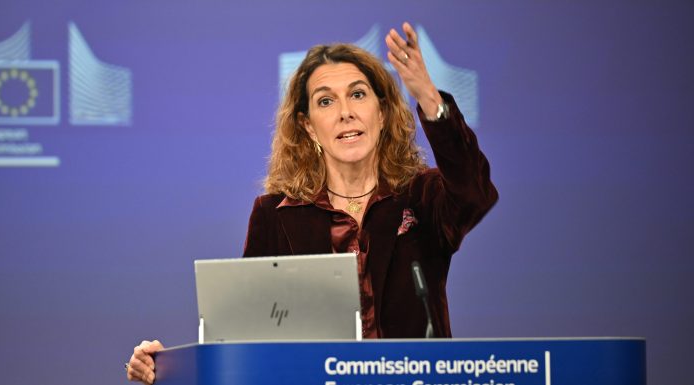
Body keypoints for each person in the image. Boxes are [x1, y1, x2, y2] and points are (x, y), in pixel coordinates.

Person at [127, 22, 497, 384]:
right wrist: (170, 367)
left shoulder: (421, 197)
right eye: (325, 101)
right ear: (307, 126)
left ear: (381, 113)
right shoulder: (275, 215)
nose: (345, 113)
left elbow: (474, 193)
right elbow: (245, 338)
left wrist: (429, 98)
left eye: (357, 94)